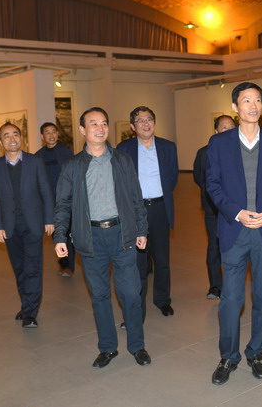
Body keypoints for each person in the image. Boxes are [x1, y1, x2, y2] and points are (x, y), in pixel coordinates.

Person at [206, 82, 262, 385]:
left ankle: (256, 352)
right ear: (235, 107)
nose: (253, 105)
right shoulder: (219, 143)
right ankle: (228, 356)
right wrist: (237, 212)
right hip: (234, 229)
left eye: (257, 100)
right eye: (246, 100)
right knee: (231, 299)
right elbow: (213, 185)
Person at [54, 107, 151, 368]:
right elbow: (63, 204)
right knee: (99, 296)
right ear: (82, 130)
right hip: (90, 238)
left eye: (104, 123)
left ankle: (137, 345)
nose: (100, 128)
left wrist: (141, 229)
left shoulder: (122, 160)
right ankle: (108, 348)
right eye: (94, 124)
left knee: (131, 294)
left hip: (122, 234)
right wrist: (60, 237)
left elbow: (136, 197)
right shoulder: (73, 166)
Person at [0, 122, 55, 329]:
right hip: (10, 227)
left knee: (32, 268)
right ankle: (26, 306)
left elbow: (46, 192)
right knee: (19, 269)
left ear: (21, 137)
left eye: (15, 134)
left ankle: (30, 313)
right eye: (6, 136)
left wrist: (49, 219)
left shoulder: (35, 162)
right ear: (1, 142)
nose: (12, 139)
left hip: (33, 224)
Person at [117, 106, 178, 320]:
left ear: (154, 122)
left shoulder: (168, 147)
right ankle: (137, 307)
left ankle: (163, 300)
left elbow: (172, 178)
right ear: (133, 127)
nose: (146, 123)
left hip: (160, 208)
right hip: (136, 210)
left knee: (162, 260)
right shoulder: (124, 149)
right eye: (140, 120)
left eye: (149, 119)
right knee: (138, 263)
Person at [193, 114, 236, 299]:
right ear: (216, 131)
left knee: (236, 246)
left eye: (231, 126)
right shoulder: (204, 152)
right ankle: (216, 286)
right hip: (213, 209)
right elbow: (199, 178)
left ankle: (234, 283)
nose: (228, 130)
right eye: (224, 127)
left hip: (237, 209)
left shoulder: (243, 151)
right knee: (214, 246)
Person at [34, 122, 75, 277]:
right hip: (49, 203)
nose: (51, 135)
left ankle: (69, 266)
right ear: (42, 136)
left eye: (53, 132)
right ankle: (64, 263)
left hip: (67, 200)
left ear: (57, 134)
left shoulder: (67, 152)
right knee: (56, 234)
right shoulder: (38, 156)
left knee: (68, 233)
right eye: (47, 132)